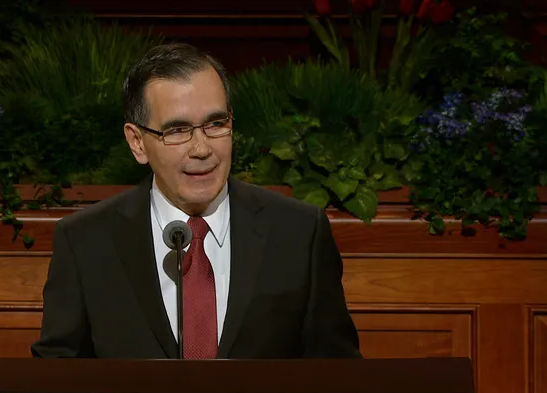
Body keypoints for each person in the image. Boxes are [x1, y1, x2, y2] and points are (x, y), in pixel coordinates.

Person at [31, 42, 361, 359]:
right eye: (176, 130)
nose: (202, 149)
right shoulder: (86, 241)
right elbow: (56, 378)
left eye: (216, 124)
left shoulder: (299, 233)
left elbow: (338, 375)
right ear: (137, 142)